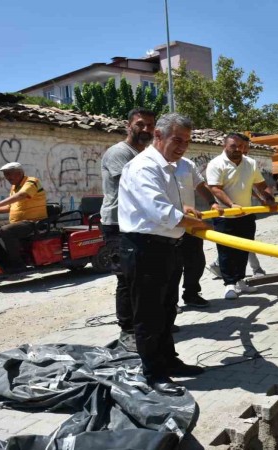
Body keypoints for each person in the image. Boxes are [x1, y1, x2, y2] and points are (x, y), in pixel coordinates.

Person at [118, 113, 212, 396]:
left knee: (167, 309)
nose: (183, 147)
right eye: (177, 140)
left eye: (187, 141)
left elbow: (168, 206)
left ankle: (168, 361)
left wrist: (186, 212)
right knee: (148, 314)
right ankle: (154, 374)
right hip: (145, 248)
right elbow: (158, 211)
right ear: (158, 135)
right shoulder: (143, 167)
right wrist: (199, 224)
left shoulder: (168, 166)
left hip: (167, 246)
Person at [100, 107, 156, 352]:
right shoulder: (119, 153)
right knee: (125, 279)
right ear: (128, 125)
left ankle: (144, 325)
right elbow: (136, 186)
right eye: (140, 124)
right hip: (117, 224)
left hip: (136, 223)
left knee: (142, 277)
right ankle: (128, 331)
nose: (146, 129)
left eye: (150, 126)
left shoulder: (144, 153)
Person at [206, 133, 278, 299]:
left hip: (246, 215)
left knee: (244, 250)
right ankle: (229, 284)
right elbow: (215, 188)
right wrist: (231, 205)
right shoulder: (216, 164)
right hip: (225, 216)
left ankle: (240, 281)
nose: (238, 149)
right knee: (226, 252)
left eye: (240, 146)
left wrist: (269, 198)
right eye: (233, 146)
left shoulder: (250, 163)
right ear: (225, 146)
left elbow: (260, 184)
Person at [0, 162, 48, 270]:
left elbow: (22, 195)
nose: (7, 177)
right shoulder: (14, 187)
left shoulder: (32, 182)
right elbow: (9, 208)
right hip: (18, 223)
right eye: (5, 174)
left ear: (19, 173)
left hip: (34, 222)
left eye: (9, 174)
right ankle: (2, 260)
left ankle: (18, 264)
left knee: (6, 230)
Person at [174, 155, 223, 308]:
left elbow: (200, 185)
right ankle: (170, 302)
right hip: (168, 224)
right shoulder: (153, 164)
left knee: (196, 261)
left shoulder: (187, 164)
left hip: (190, 221)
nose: (181, 146)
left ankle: (191, 294)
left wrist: (212, 202)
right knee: (172, 266)